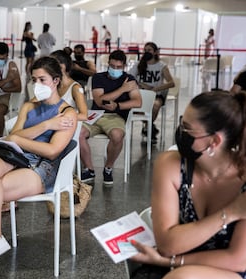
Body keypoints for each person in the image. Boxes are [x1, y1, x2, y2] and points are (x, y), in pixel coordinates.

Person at [124, 91, 246, 279]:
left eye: (188, 129)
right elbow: (168, 243)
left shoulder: (244, 179)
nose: (180, 133)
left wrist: (171, 263)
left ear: (214, 141)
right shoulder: (172, 166)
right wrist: (232, 212)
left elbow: (237, 259)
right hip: (188, 270)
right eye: (182, 123)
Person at [0, 56, 77, 279]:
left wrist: (20, 138)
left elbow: (53, 150)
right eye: (34, 79)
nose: (37, 84)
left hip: (43, 167)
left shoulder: (68, 113)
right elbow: (13, 138)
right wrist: (45, 126)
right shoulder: (28, 107)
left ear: (56, 81)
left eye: (43, 79)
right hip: (17, 157)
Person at [79, 50, 141, 185]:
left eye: (118, 67)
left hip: (116, 116)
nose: (115, 69)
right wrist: (122, 90)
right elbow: (99, 100)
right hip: (95, 115)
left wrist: (117, 106)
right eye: (112, 66)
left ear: (124, 66)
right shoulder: (98, 77)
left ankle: (108, 167)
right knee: (78, 133)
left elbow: (137, 102)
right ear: (108, 64)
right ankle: (89, 168)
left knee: (117, 135)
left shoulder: (130, 79)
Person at [129, 42, 175, 144]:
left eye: (149, 50)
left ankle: (147, 127)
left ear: (155, 52)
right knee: (132, 108)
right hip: (140, 94)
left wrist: (155, 88)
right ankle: (150, 127)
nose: (146, 52)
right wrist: (141, 84)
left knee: (155, 105)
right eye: (145, 50)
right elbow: (129, 78)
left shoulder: (161, 66)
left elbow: (171, 83)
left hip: (156, 94)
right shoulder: (138, 65)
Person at [50, 50, 88, 121]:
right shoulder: (53, 85)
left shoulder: (76, 88)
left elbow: (84, 116)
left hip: (68, 126)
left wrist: (61, 117)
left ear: (63, 66)